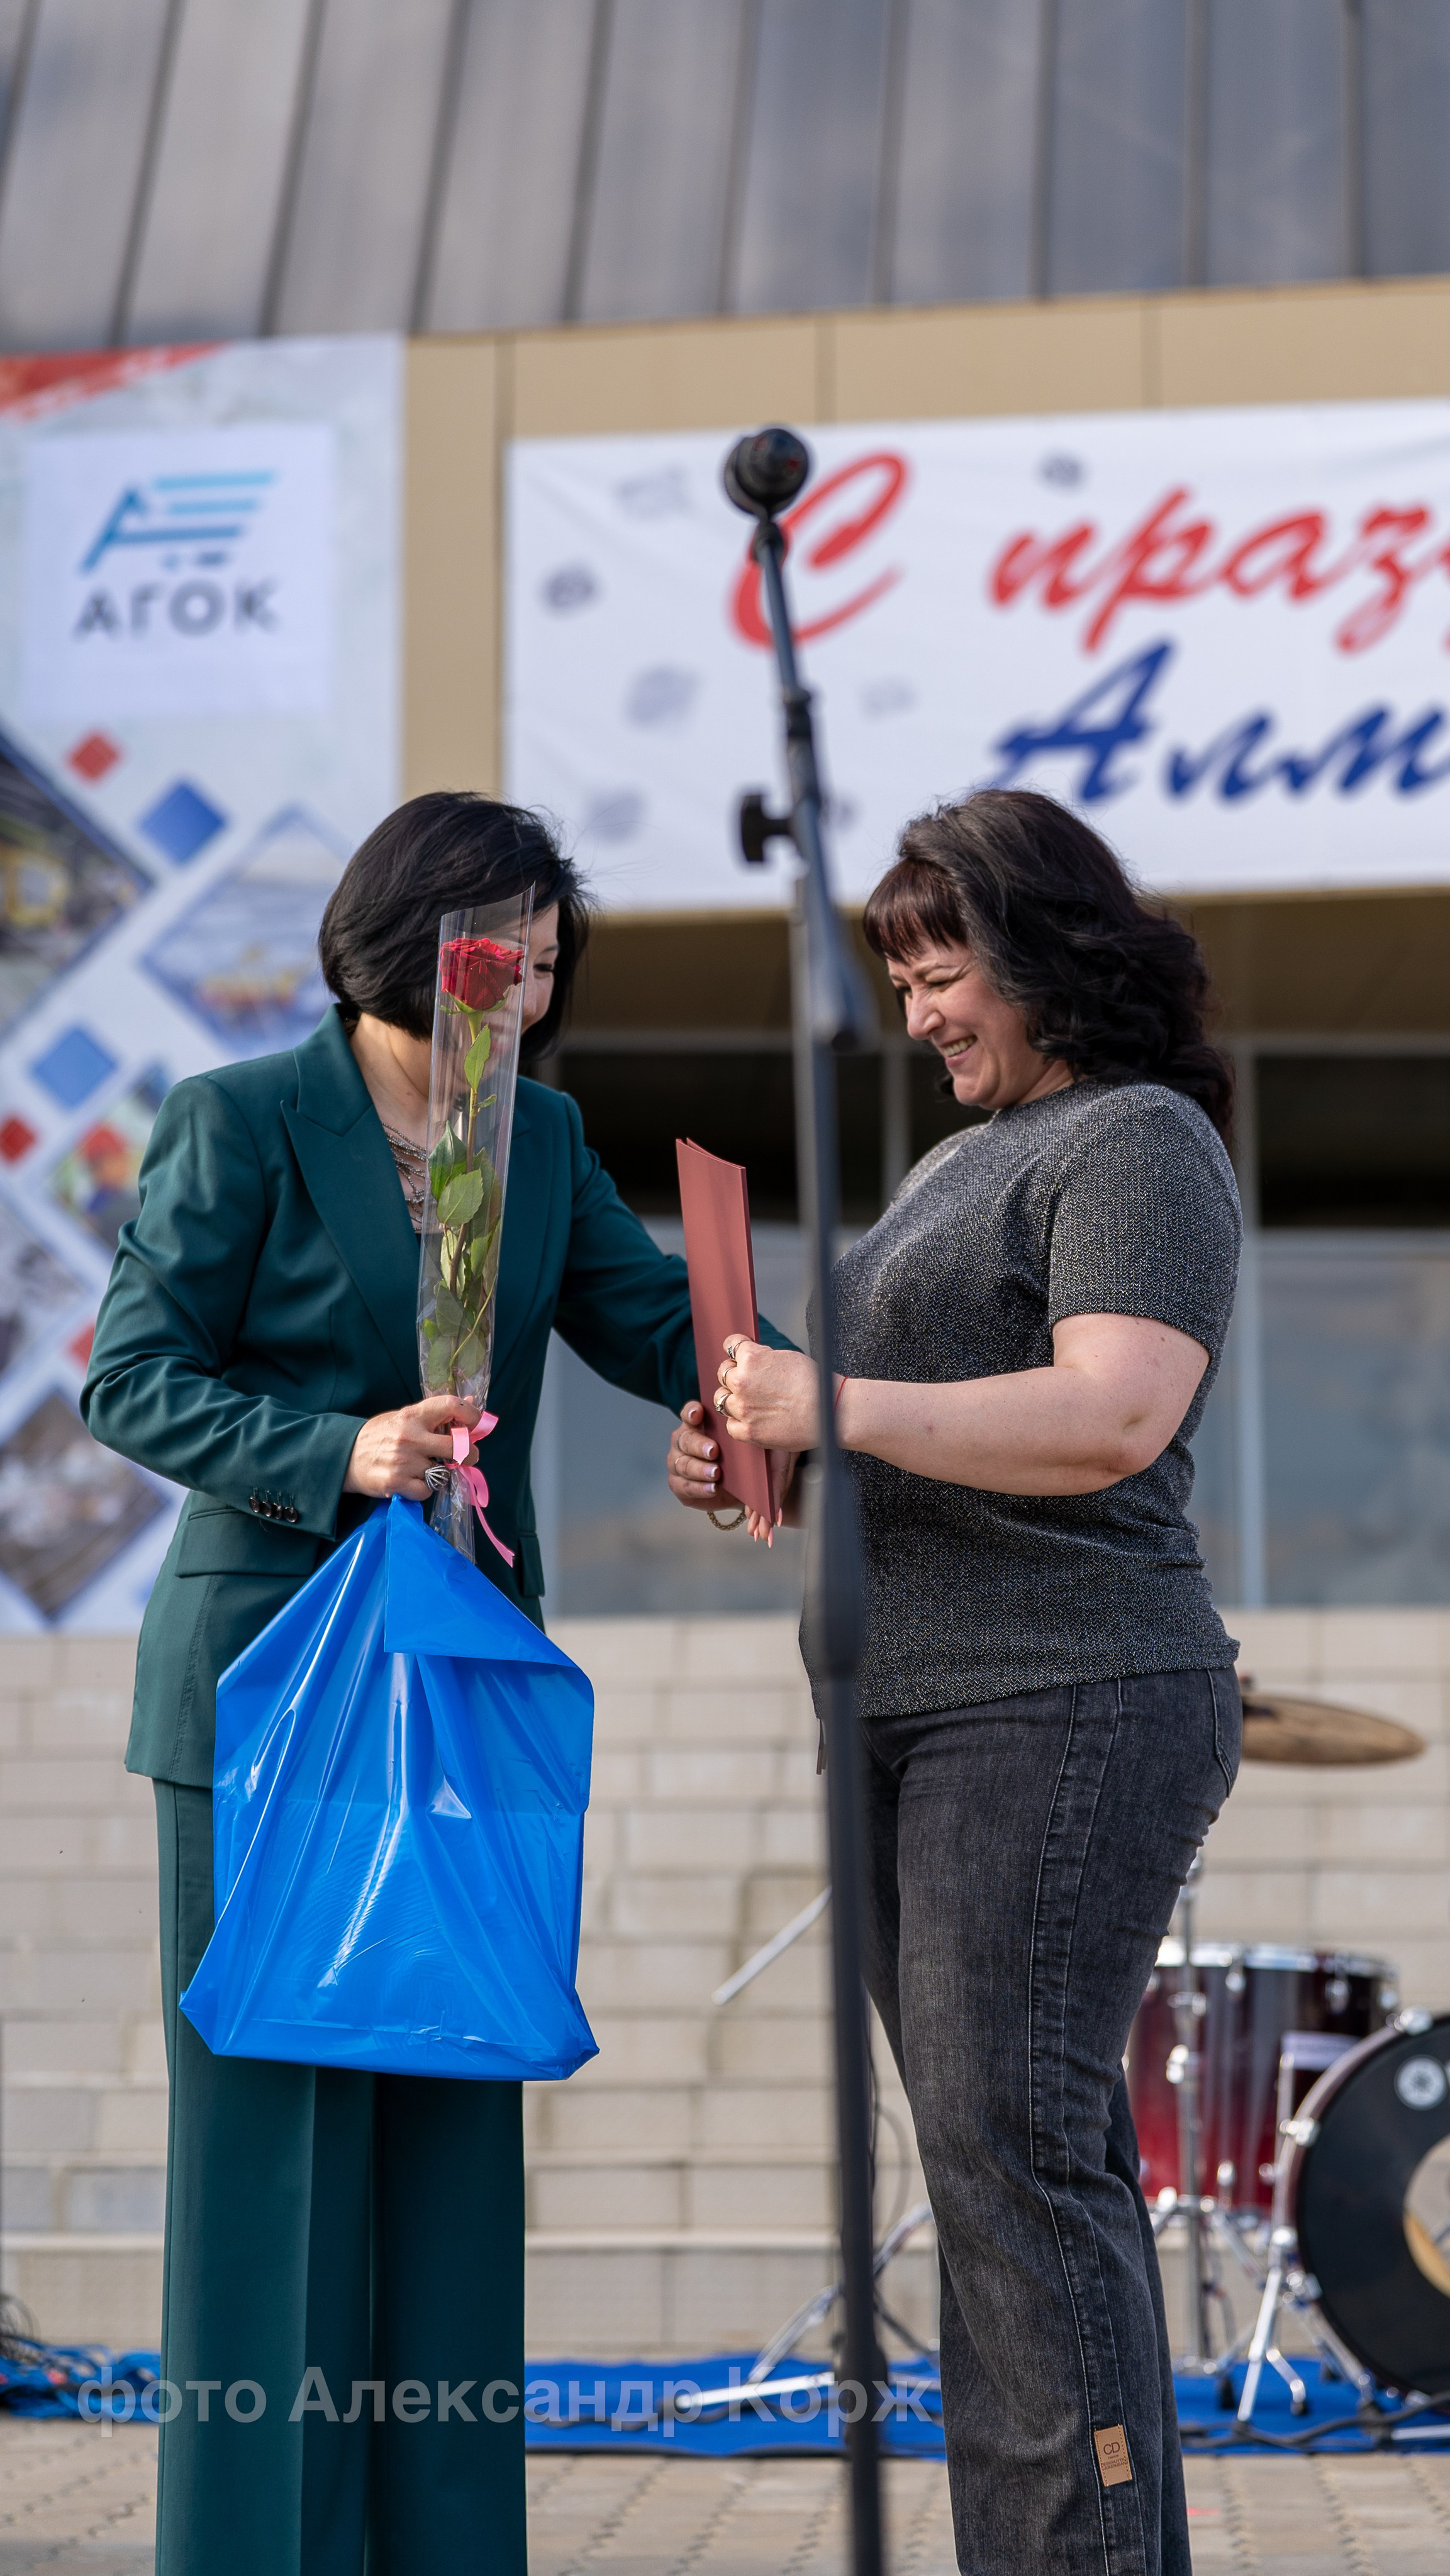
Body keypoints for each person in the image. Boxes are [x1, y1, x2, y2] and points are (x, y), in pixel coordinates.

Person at [82, 791, 789, 2576]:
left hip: (466, 1688)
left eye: (548, 959)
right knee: (277, 2161)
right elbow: (132, 1379)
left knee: (456, 2150)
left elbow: (649, 1320)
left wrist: (752, 1397)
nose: (528, 989)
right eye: (501, 953)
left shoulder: (538, 1133)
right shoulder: (241, 1117)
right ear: (400, 946)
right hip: (273, 1696)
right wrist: (341, 1449)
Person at [667, 787, 1242, 2576]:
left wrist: (830, 1403)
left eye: (942, 974)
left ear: (1048, 955)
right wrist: (757, 1449)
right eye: (901, 982)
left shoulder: (1135, 1140)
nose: (917, 1016)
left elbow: (1111, 1412)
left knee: (1014, 2159)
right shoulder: (951, 1168)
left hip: (1061, 1693)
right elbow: (920, 1421)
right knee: (998, 2170)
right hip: (911, 1706)